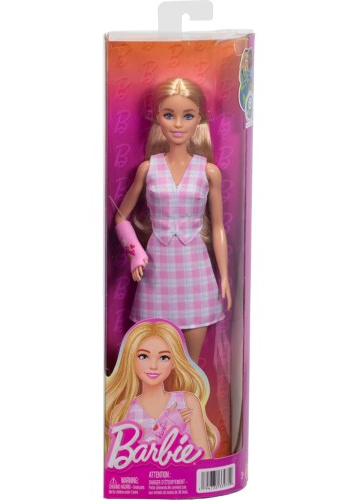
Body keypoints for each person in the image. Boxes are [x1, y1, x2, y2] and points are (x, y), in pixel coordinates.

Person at [114, 77, 232, 363]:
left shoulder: (208, 172)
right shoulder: (148, 169)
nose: (178, 124)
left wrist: (225, 276)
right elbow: (120, 217)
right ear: (157, 117)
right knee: (157, 359)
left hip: (196, 271)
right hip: (157, 271)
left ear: (199, 119)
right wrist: (134, 252)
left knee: (191, 365)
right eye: (169, 115)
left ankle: (193, 395)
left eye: (187, 116)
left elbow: (218, 226)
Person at [105, 320, 219, 459]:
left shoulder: (187, 402)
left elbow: (204, 458)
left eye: (164, 357)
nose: (153, 366)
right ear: (131, 359)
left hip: (185, 473)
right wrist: (169, 422)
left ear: (174, 362)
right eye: (143, 356)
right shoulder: (123, 410)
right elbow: (120, 463)